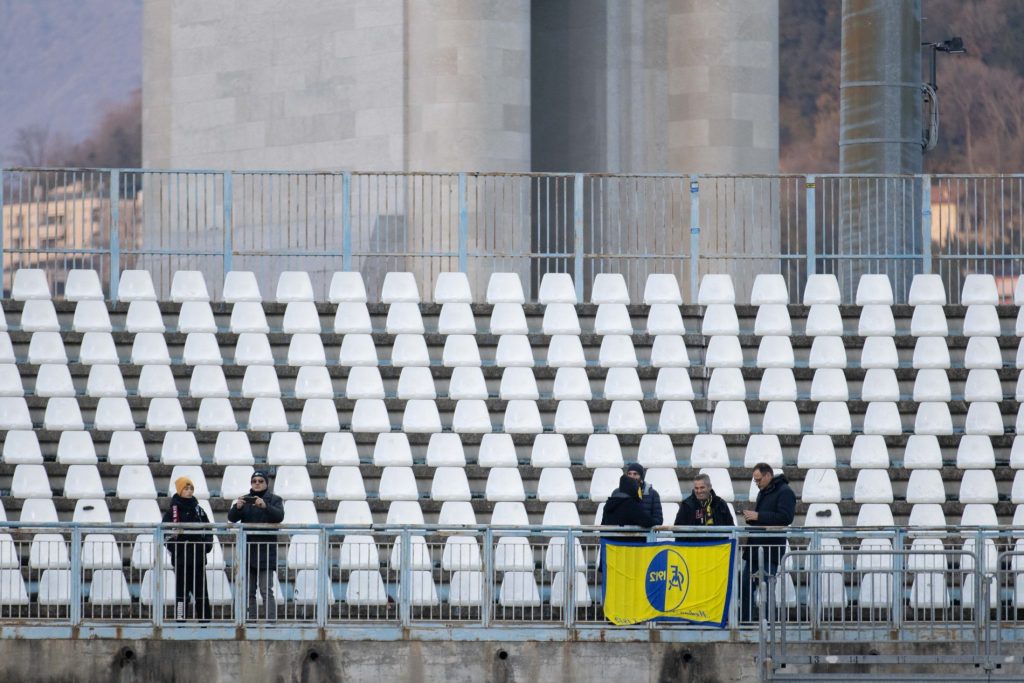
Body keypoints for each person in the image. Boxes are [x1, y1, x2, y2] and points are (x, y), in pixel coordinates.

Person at [739, 463, 795, 622]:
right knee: (746, 586)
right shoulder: (764, 491)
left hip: (770, 549)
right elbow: (767, 518)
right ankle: (746, 621)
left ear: (768, 475)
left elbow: (785, 518)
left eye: (758, 480)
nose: (756, 483)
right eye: (755, 480)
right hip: (756, 548)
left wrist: (758, 516)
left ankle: (770, 623)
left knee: (767, 587)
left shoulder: (785, 492)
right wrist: (752, 519)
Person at [227, 470, 285, 620]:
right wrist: (237, 507)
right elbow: (231, 518)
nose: (257, 483)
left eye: (260, 481)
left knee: (266, 590)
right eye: (254, 481)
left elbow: (279, 516)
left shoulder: (275, 499)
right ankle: (250, 622)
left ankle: (270, 623)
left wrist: (265, 506)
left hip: (266, 552)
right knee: (249, 591)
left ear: (266, 483)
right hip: (247, 552)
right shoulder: (245, 499)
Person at [162, 476, 213, 621]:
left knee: (201, 593)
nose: (189, 491)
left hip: (198, 558)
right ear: (179, 490)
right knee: (181, 594)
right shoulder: (172, 512)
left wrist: (206, 547)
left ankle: (205, 621)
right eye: (186, 488)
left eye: (191, 488)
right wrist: (175, 548)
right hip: (181, 559)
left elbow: (208, 530)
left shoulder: (199, 510)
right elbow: (165, 534)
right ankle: (180, 620)